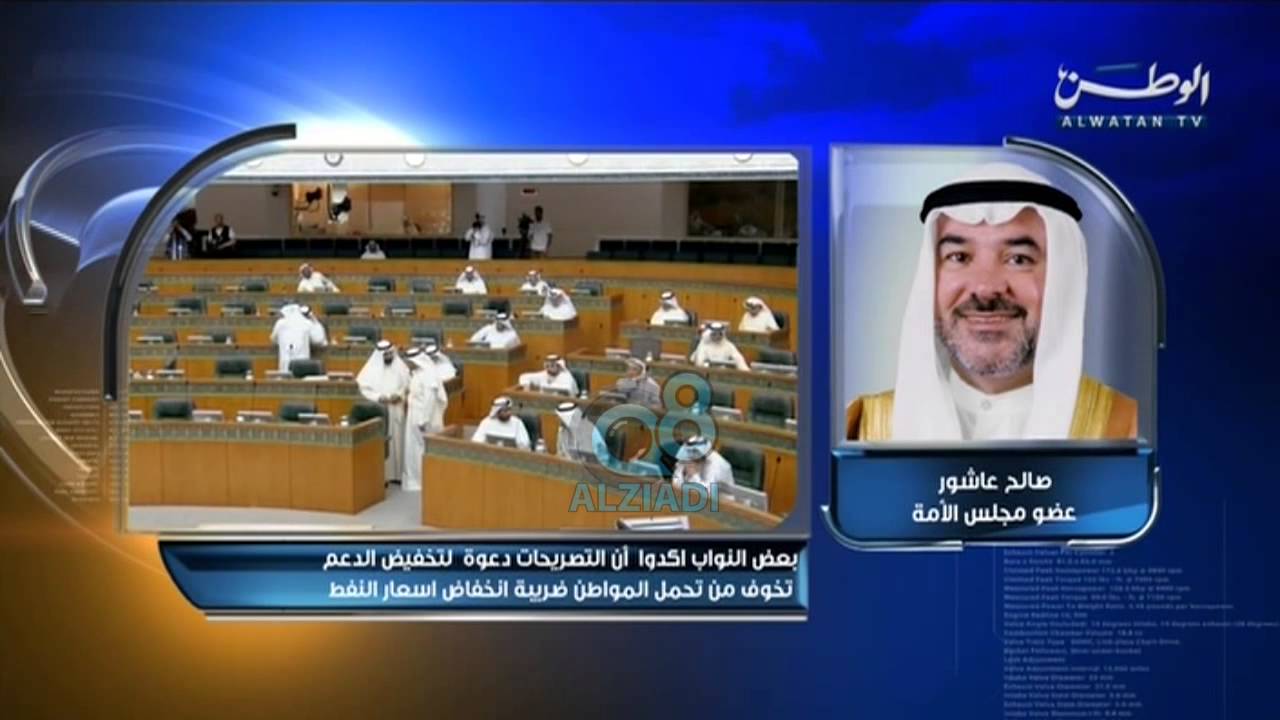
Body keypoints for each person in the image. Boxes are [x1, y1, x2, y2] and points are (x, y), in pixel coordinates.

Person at [845, 162, 1139, 442]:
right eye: (959, 257)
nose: (985, 288)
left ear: (1063, 279)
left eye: (1018, 259)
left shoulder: (1128, 427)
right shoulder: (860, 428)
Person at [357, 341, 411, 484]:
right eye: (385, 355)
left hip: (396, 407)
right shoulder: (370, 369)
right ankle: (384, 476)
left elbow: (408, 385)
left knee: (397, 441)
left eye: (390, 354)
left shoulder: (400, 366)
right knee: (383, 442)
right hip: (380, 409)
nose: (388, 357)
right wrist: (379, 397)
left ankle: (398, 475)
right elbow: (364, 389)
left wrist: (400, 395)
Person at [402, 347, 449, 492]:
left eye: (409, 362)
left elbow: (430, 400)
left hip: (424, 418)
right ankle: (416, 479)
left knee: (422, 449)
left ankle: (425, 480)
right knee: (414, 449)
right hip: (415, 415)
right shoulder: (418, 373)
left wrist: (423, 420)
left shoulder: (428, 375)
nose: (407, 364)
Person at [269, 302, 327, 372]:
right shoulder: (306, 323)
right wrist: (315, 321)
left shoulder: (280, 323)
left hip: (285, 366)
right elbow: (319, 340)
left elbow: (273, 339)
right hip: (302, 366)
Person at [671, 435, 736, 493]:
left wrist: (693, 475)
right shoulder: (686, 455)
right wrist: (684, 473)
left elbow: (707, 494)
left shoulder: (716, 464)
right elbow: (675, 483)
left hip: (722, 498)